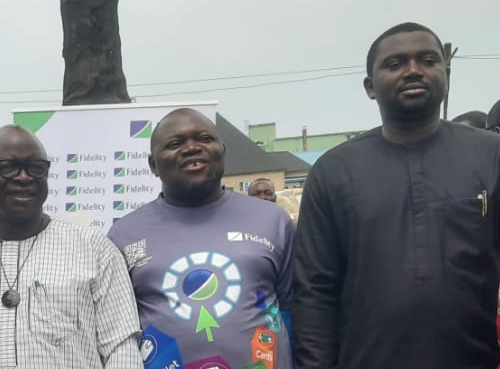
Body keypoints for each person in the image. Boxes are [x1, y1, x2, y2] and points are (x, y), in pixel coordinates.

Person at [292, 22, 500, 369]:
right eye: (395, 64)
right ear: (370, 87)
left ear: (446, 74)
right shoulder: (333, 171)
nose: (414, 71)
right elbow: (314, 290)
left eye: (428, 60)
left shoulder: (491, 156)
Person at [108, 108, 295, 369]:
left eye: (205, 139)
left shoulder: (273, 220)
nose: (191, 148)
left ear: (222, 150)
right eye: (175, 144)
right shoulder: (123, 235)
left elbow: (292, 312)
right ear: (153, 165)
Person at [0, 125, 143, 368]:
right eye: (9, 167)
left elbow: (122, 350)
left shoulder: (93, 249)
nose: (24, 177)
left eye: (37, 168)